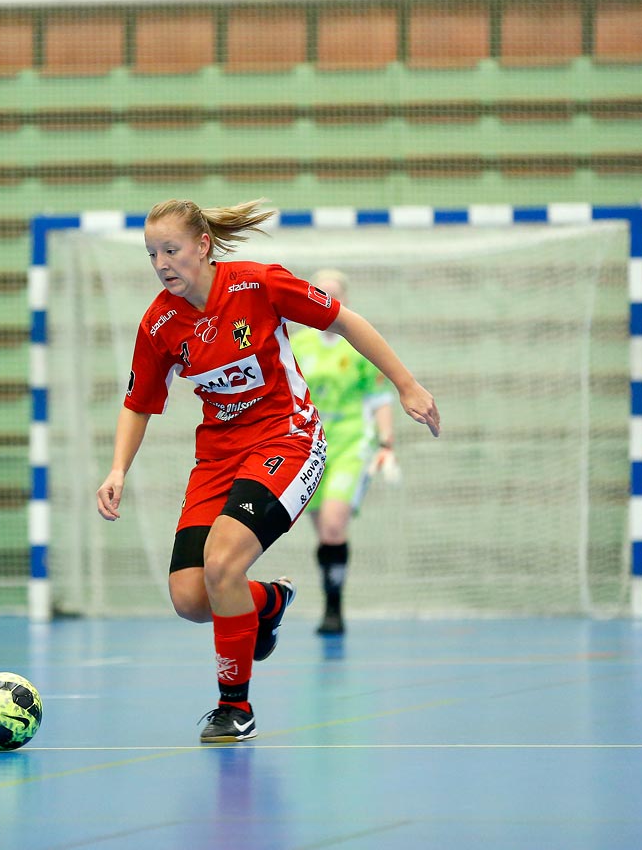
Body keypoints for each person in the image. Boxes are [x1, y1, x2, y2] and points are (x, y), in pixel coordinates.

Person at [96, 198, 439, 743]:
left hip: (288, 440)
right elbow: (138, 403)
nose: (161, 263)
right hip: (218, 458)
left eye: (171, 249)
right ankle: (270, 602)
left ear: (203, 245)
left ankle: (235, 707)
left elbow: (345, 320)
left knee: (223, 563)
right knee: (190, 598)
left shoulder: (257, 285)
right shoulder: (159, 323)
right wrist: (117, 469)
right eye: (151, 254)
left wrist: (406, 384)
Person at [291, 269, 398, 637]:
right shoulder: (297, 345)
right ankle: (330, 599)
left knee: (335, 524)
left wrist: (386, 442)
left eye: (333, 294)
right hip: (308, 445)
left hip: (352, 440)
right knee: (324, 531)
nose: (325, 299)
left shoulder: (359, 343)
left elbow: (379, 396)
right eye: (318, 293)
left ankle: (334, 610)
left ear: (344, 301)